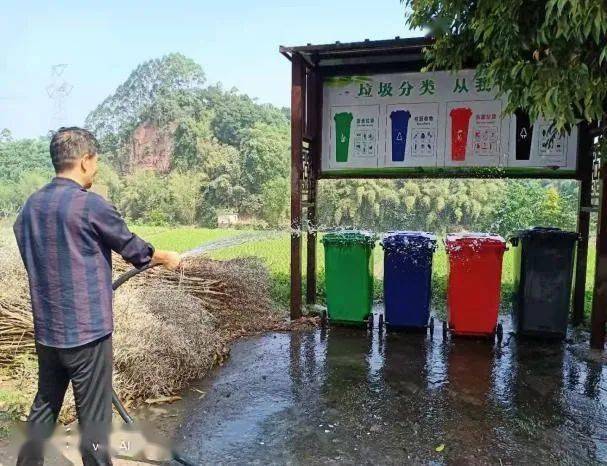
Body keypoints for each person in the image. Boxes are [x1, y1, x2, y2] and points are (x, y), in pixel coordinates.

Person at [12, 127, 181, 466]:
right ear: (85, 161)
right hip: (87, 334)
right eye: (97, 161)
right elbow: (133, 249)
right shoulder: (89, 205)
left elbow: (28, 245)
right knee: (95, 421)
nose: (97, 168)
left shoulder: (30, 207)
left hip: (48, 333)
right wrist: (166, 257)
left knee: (45, 406)